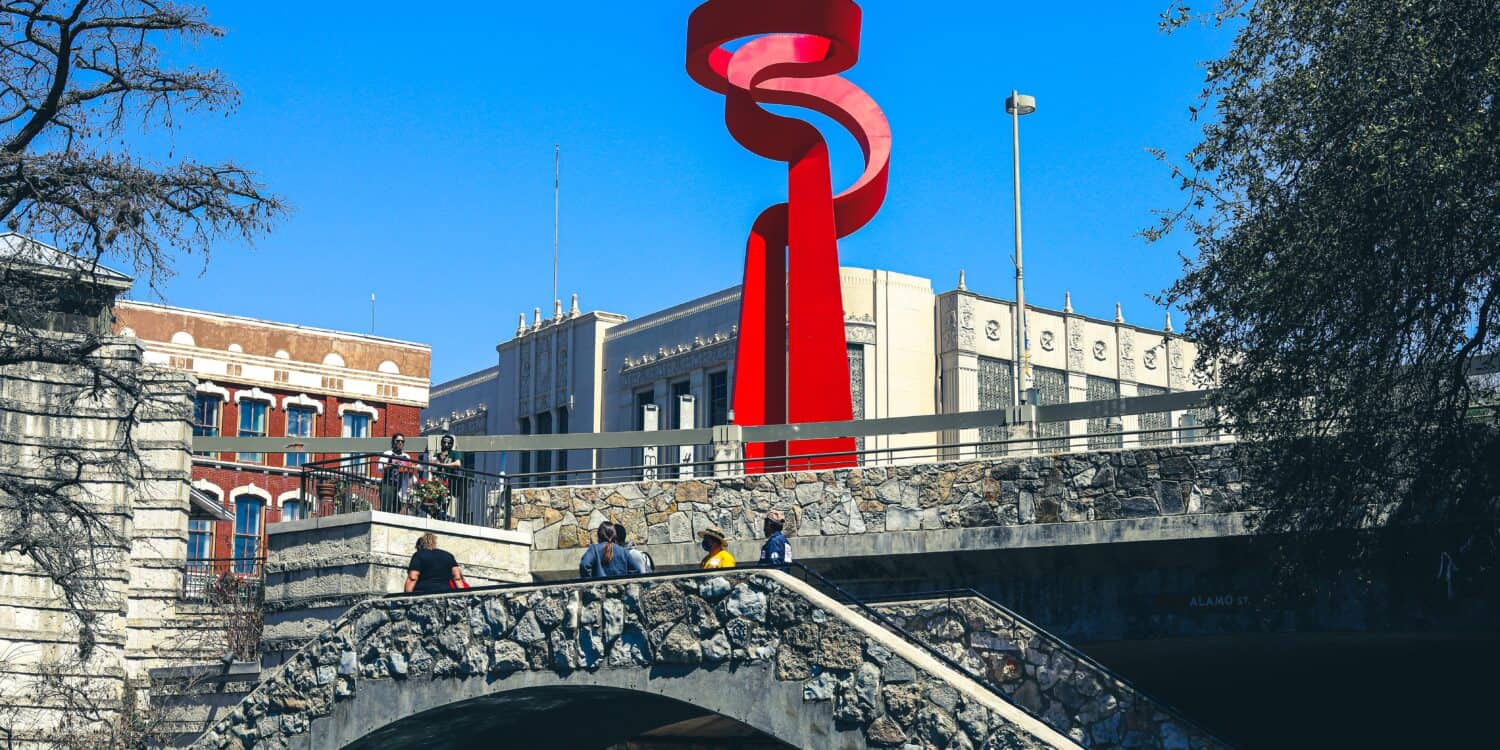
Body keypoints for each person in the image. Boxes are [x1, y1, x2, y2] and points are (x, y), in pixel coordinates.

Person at [379, 433, 416, 514]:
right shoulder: (387, 453)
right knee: (386, 508)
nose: (400, 443)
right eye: (398, 441)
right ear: (393, 442)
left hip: (400, 486)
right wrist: (393, 464)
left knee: (397, 509)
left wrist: (411, 469)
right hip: (387, 484)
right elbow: (380, 467)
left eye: (402, 441)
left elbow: (410, 472)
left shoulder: (406, 456)